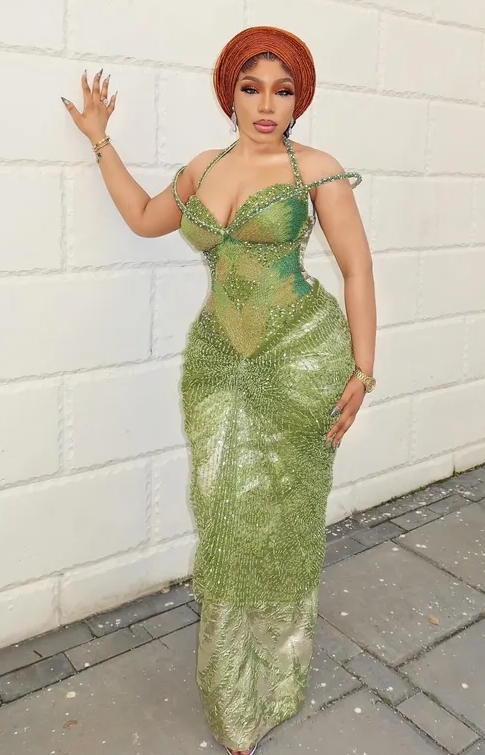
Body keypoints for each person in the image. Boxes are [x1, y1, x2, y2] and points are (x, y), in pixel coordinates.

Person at [61, 25, 376, 755]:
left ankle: (269, 682)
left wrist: (362, 370)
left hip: (300, 359)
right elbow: (145, 218)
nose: (267, 105)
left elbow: (357, 269)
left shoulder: (315, 170)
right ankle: (233, 680)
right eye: (251, 87)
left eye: (283, 91)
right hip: (215, 366)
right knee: (224, 515)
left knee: (277, 521)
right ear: (228, 92)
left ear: (299, 99)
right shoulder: (203, 167)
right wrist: (101, 142)